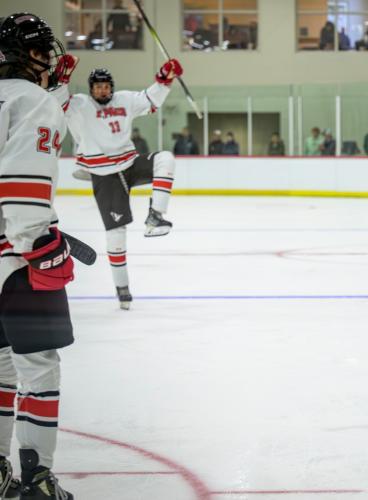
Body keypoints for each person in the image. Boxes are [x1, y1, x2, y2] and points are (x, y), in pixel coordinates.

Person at [0, 12, 78, 499]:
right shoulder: (33, 102)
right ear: (30, 54)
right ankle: (35, 480)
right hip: (15, 260)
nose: (49, 59)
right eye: (43, 51)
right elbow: (22, 178)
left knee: (0, 368)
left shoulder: (25, 99)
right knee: (38, 367)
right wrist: (40, 245)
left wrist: (58, 94)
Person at [52, 58, 182, 310]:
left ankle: (156, 215)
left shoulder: (124, 99)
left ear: (111, 87)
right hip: (104, 175)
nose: (103, 90)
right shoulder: (79, 104)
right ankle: (122, 288)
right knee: (116, 236)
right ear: (91, 89)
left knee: (165, 158)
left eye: (106, 86)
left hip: (130, 164)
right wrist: (63, 78)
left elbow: (150, 99)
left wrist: (165, 77)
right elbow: (57, 103)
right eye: (98, 86)